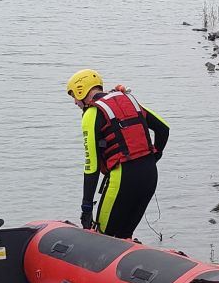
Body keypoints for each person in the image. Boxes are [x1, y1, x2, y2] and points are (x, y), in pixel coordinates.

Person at [66, 69, 169, 239]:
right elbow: (163, 129)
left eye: (74, 97)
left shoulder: (92, 113)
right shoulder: (128, 100)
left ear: (81, 90)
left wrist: (86, 209)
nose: (75, 102)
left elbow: (91, 166)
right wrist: (154, 157)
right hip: (150, 174)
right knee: (124, 236)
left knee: (103, 238)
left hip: (123, 178)